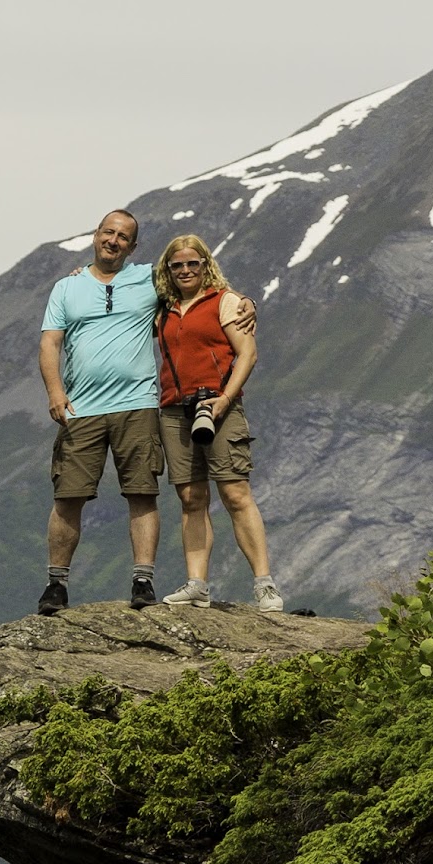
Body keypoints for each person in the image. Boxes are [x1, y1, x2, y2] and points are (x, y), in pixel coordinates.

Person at [36, 210, 165, 614]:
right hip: (81, 407)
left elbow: (201, 283)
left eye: (123, 236)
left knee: (142, 491)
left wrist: (243, 301)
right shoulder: (66, 287)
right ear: (95, 235)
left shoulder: (150, 279)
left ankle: (143, 580)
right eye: (108, 232)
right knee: (68, 495)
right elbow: (49, 344)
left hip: (138, 404)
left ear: (133, 246)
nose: (113, 240)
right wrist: (55, 393)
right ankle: (56, 585)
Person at [148, 235, 278, 610]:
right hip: (175, 410)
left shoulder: (226, 302)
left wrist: (223, 400)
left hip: (220, 406)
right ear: (168, 271)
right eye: (178, 265)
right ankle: (197, 584)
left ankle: (264, 585)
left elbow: (247, 354)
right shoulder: (163, 307)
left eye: (193, 263)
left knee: (236, 494)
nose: (186, 270)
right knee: (191, 498)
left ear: (206, 265)